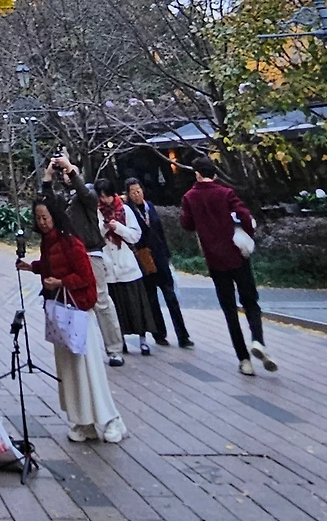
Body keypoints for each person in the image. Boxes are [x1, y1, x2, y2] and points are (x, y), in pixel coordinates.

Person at [19, 198, 126, 444]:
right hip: (60, 313)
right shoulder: (49, 242)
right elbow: (51, 265)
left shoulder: (70, 241)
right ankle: (83, 421)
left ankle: (111, 419)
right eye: (38, 218)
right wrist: (32, 267)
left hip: (77, 314)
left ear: (55, 216)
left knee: (88, 368)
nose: (42, 222)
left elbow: (86, 276)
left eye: (45, 217)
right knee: (69, 370)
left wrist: (61, 282)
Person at [180, 158, 276, 375]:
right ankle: (258, 341)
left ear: (197, 174)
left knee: (229, 310)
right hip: (237, 255)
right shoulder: (226, 193)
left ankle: (244, 361)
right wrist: (245, 233)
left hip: (215, 261)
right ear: (214, 174)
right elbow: (244, 216)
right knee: (250, 302)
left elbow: (187, 224)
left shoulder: (189, 197)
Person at [43, 154, 125, 366]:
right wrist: (48, 177)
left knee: (100, 300)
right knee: (72, 301)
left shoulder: (87, 195)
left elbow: (85, 194)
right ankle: (78, 346)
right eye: (65, 172)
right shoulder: (64, 198)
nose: (67, 175)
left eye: (71, 172)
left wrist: (70, 168)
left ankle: (114, 349)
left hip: (90, 252)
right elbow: (47, 206)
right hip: (70, 254)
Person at [95, 176, 159, 355]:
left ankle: (143, 339)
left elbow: (135, 236)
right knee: (116, 309)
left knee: (137, 307)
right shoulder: (97, 212)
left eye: (107, 196)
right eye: (101, 197)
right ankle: (119, 340)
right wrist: (105, 228)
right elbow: (95, 236)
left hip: (128, 266)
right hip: (109, 267)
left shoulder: (124, 210)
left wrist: (118, 227)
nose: (105, 200)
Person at [126, 178, 193, 348]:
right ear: (128, 194)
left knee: (171, 296)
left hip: (160, 256)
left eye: (138, 190)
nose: (137, 194)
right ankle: (159, 333)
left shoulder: (150, 207)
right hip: (144, 258)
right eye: (133, 192)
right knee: (151, 298)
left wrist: (167, 253)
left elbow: (160, 231)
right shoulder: (128, 211)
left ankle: (183, 335)